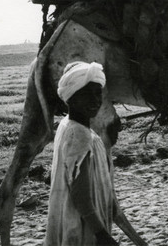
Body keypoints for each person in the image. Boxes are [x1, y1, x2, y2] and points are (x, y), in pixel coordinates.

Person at [44, 61, 118, 246]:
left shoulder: (66, 124)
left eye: (97, 93)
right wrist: (102, 234)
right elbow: (81, 196)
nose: (95, 101)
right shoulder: (80, 135)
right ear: (71, 98)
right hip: (82, 228)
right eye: (86, 95)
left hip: (70, 221)